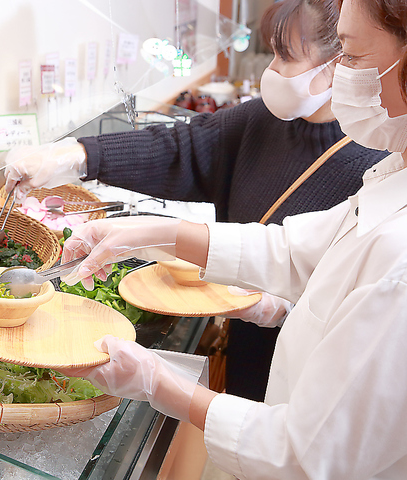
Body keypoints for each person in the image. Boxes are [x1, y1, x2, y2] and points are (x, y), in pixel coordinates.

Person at [54, 0, 407, 477]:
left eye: (353, 56)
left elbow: (303, 456)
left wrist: (158, 381)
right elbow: (292, 250)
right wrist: (149, 233)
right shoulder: (390, 180)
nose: (343, 74)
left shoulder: (398, 260)